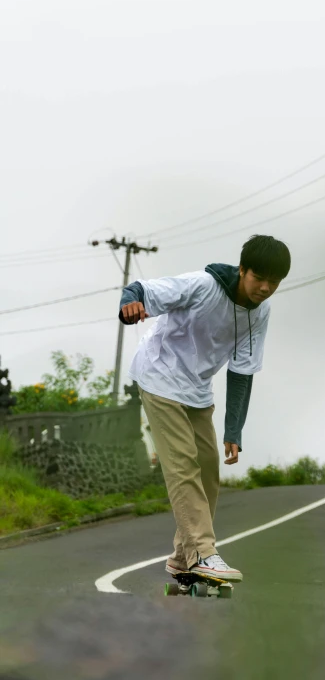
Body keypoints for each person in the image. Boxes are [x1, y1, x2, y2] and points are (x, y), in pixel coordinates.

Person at [119, 234, 291, 582]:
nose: (265, 288)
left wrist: (234, 429)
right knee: (182, 466)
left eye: (274, 283)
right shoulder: (203, 285)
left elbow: (243, 370)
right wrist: (129, 303)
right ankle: (204, 553)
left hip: (196, 389)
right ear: (243, 270)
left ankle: (183, 557)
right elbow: (141, 289)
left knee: (209, 472)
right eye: (259, 279)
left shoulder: (260, 313)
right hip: (159, 375)